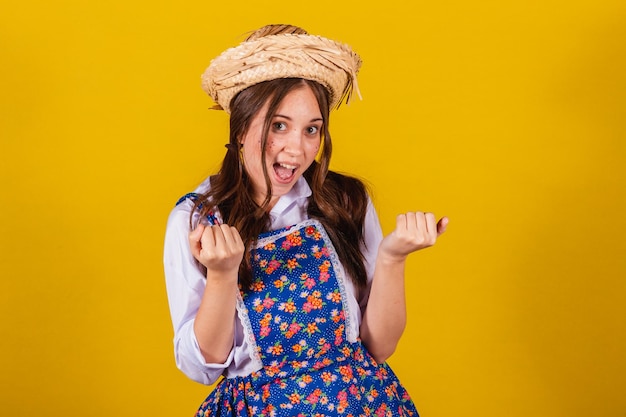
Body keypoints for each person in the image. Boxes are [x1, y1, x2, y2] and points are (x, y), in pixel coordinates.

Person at [164, 23, 449, 416]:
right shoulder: (197, 218)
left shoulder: (346, 200)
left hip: (361, 405)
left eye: (312, 129)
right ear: (242, 125)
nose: (297, 150)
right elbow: (203, 366)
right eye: (279, 125)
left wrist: (393, 258)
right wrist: (222, 274)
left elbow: (379, 347)